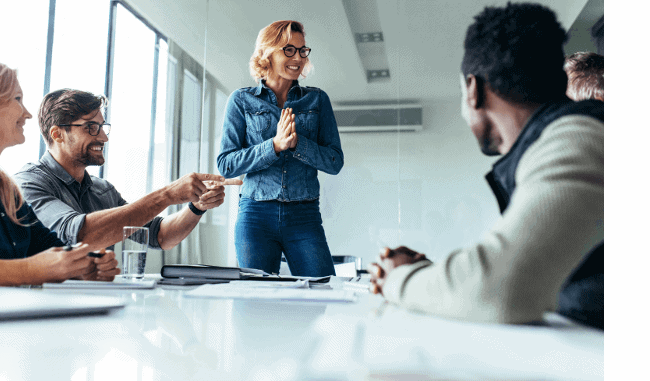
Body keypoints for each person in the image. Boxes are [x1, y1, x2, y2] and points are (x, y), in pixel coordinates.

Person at [369, 3, 604, 330]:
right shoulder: (557, 142)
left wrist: (399, 279)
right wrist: (437, 277)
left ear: (473, 90)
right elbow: (522, 270)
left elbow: (498, 289)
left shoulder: (578, 138)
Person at [14, 89, 242, 252]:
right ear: (57, 134)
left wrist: (196, 207)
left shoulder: (103, 191)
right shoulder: (28, 184)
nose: (103, 137)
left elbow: (160, 236)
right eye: (92, 128)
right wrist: (168, 195)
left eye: (103, 127)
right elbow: (81, 236)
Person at [0, 57, 119, 286]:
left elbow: (48, 247)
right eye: (17, 99)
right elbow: (36, 265)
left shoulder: (4, 189)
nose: (27, 114)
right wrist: (30, 270)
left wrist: (83, 265)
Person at [217, 20, 344, 277]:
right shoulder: (241, 100)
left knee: (323, 292)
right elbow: (226, 164)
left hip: (304, 216)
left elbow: (334, 161)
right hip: (255, 215)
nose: (298, 57)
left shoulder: (317, 100)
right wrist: (274, 146)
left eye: (302, 50)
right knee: (256, 302)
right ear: (267, 53)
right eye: (288, 50)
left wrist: (299, 144)